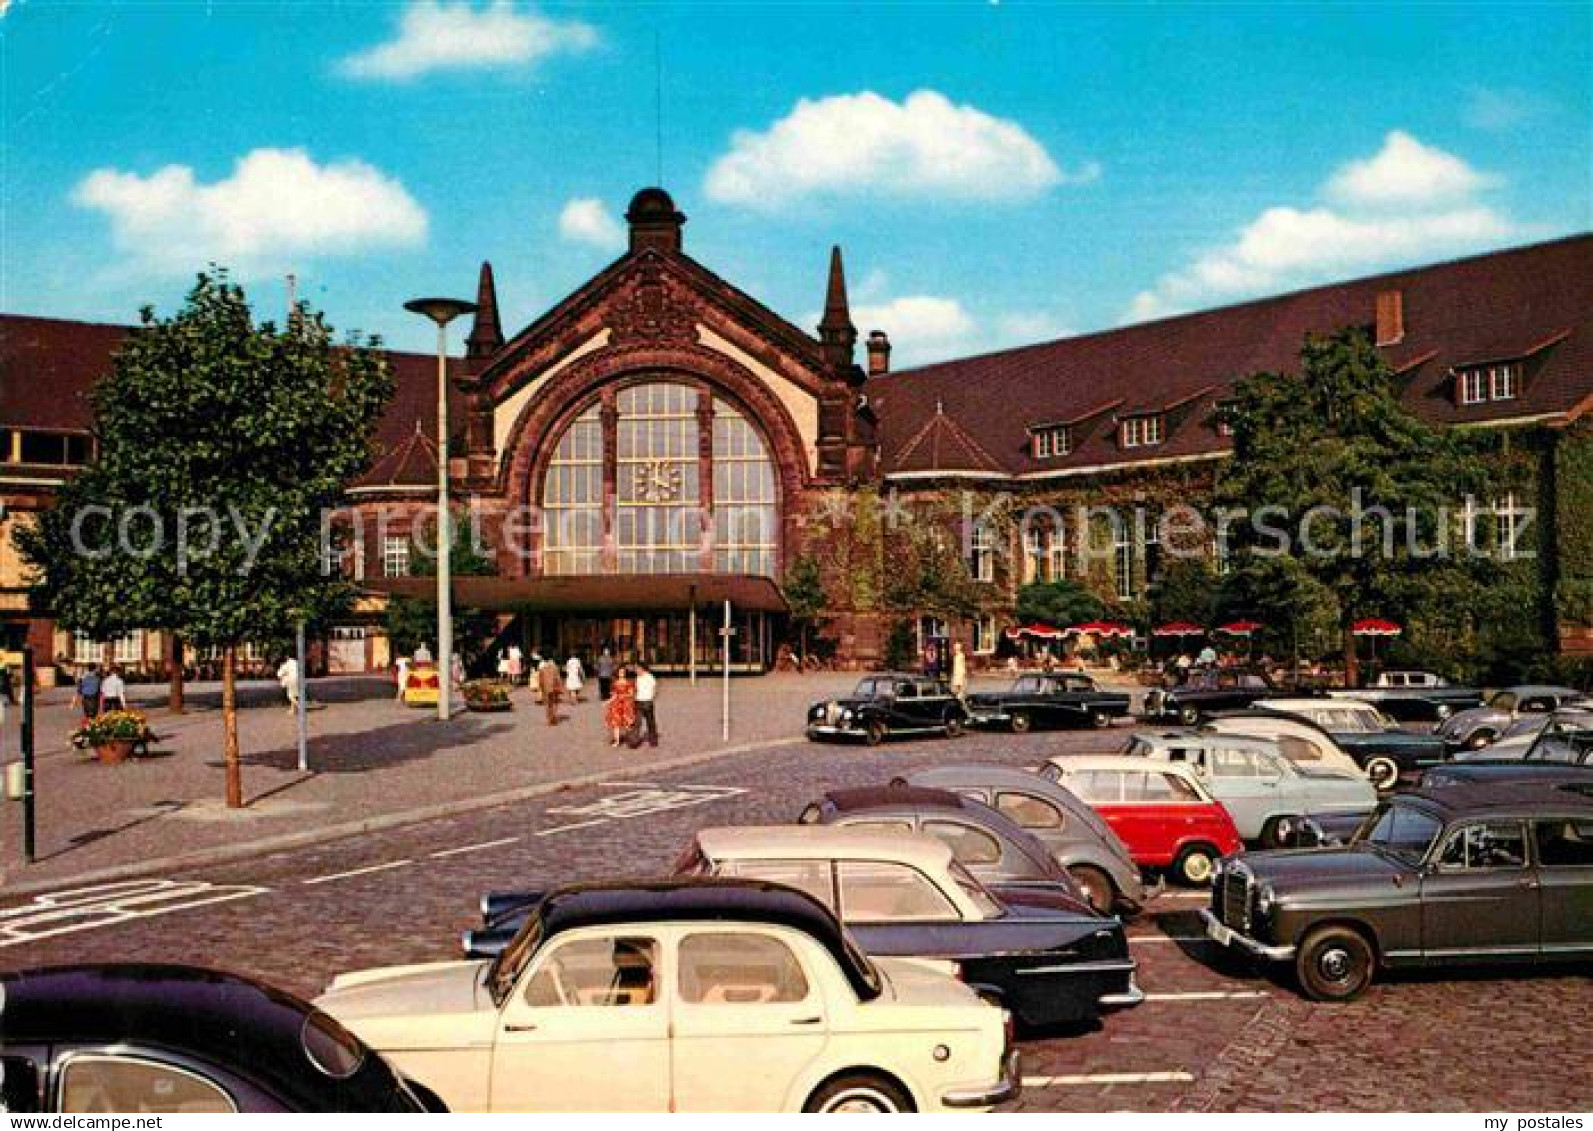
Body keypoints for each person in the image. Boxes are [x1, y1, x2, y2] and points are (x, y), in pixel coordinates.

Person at [605, 666, 637, 747]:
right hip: (616, 705)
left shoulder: (629, 682)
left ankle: (630, 739)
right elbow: (614, 695)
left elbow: (631, 694)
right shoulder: (615, 683)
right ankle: (617, 741)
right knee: (616, 724)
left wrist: (623, 696)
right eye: (620, 672)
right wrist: (608, 701)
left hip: (626, 704)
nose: (621, 674)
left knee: (628, 723)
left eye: (623, 672)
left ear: (625, 673)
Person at [634, 661, 659, 747]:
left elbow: (655, 689)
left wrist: (652, 698)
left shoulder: (650, 677)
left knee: (650, 722)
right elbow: (637, 689)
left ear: (642, 668)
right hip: (638, 701)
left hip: (647, 701)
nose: (635, 670)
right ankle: (634, 741)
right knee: (637, 722)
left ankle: (653, 741)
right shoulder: (638, 678)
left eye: (637, 668)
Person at [536, 657, 563, 726]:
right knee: (554, 703)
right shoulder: (555, 668)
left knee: (547, 704)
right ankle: (553, 717)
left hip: (546, 688)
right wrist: (560, 687)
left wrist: (541, 688)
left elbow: (540, 680)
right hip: (554, 687)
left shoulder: (542, 669)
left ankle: (549, 719)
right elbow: (558, 678)